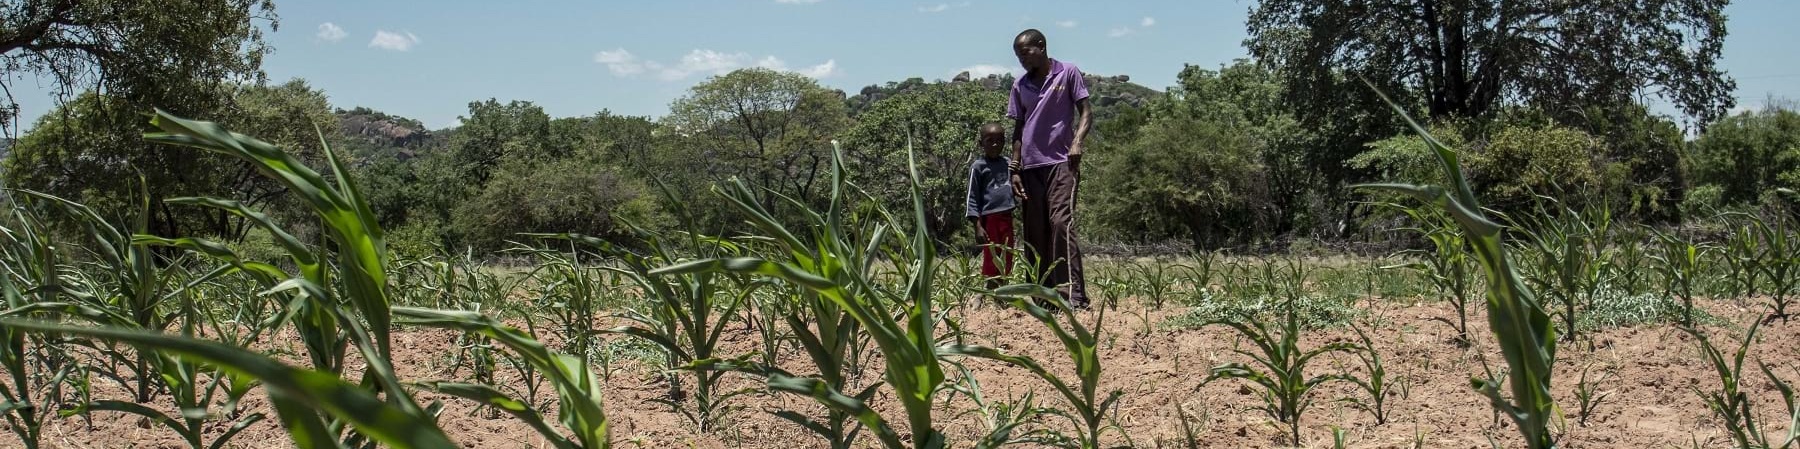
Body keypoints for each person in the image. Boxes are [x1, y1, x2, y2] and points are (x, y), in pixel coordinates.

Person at [1007, 28, 1091, 308]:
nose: (1021, 59)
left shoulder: (1067, 73)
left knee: (1060, 223)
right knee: (1035, 230)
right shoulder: (1020, 86)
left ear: (1041, 47)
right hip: (1030, 166)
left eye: (1025, 52)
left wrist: (1077, 142)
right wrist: (1014, 168)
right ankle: (1043, 296)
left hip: (1061, 162)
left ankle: (1074, 296)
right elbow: (1018, 129)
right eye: (1018, 55)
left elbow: (1086, 113)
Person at [966, 122, 1016, 290]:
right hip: (989, 218)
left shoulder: (1008, 163)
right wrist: (977, 225)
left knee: (1008, 254)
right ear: (981, 144)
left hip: (1007, 216)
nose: (995, 145)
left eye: (999, 140)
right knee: (991, 255)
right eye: (990, 140)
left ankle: (1002, 289)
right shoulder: (978, 167)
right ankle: (986, 289)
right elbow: (971, 197)